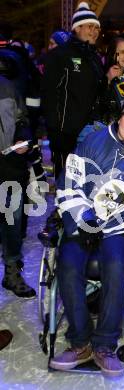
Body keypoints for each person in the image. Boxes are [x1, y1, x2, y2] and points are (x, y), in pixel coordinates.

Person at [50, 92, 124, 376]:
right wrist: (84, 219)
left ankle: (103, 344)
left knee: (116, 265)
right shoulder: (93, 141)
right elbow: (69, 185)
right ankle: (80, 343)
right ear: (120, 117)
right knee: (67, 263)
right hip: (82, 222)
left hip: (121, 227)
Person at [41, 1, 105, 178]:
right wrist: (55, 130)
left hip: (89, 130)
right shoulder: (60, 55)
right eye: (90, 26)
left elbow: (96, 91)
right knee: (66, 178)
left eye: (97, 28)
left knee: (85, 177)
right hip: (65, 132)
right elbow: (49, 94)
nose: (95, 31)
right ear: (77, 28)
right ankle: (63, 205)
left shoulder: (94, 57)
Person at [0, 74, 36, 298]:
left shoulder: (6, 85)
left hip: (9, 165)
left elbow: (22, 119)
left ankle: (12, 272)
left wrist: (22, 137)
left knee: (12, 221)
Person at [103, 36, 124, 124]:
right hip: (107, 130)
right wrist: (107, 81)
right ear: (113, 54)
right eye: (122, 52)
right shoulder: (103, 76)